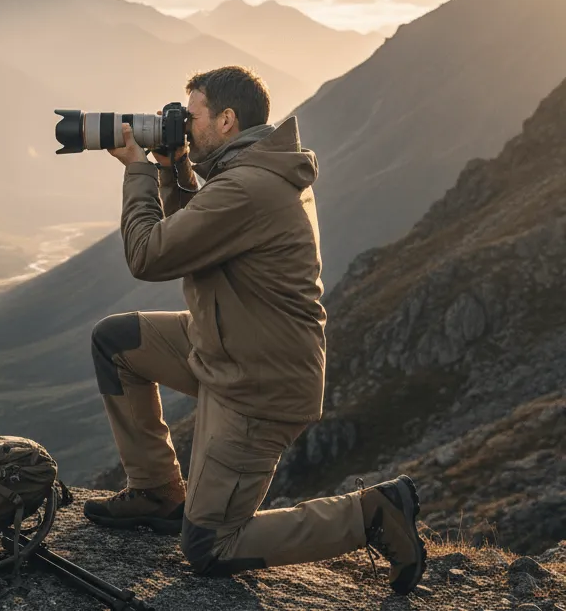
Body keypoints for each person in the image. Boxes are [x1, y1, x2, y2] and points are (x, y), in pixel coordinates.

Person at [84, 65, 427, 595]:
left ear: (225, 120)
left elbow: (148, 255)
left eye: (189, 116)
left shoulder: (248, 186)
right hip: (226, 347)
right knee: (117, 343)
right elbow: (195, 234)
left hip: (258, 384)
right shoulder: (250, 172)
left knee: (209, 546)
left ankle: (374, 513)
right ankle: (157, 493)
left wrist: (137, 170)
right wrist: (175, 170)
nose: (178, 125)